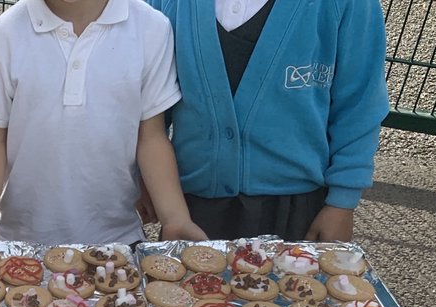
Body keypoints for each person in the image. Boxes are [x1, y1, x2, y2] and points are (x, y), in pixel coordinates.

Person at [0, 0, 206, 246]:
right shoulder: (3, 36)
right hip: (20, 240)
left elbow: (151, 137)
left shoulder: (151, 29)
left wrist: (176, 219)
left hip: (117, 240)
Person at [143, 0, 389, 241]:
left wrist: (343, 202)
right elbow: (148, 105)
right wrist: (141, 176)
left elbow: (359, 103)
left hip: (296, 210)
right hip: (190, 206)